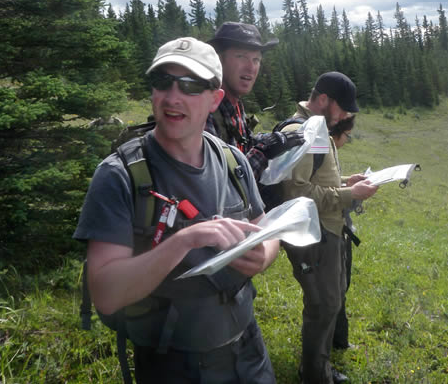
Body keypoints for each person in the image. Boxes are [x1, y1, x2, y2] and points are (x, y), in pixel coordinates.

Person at [74, 37, 279, 383]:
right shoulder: (119, 176)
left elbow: (264, 227)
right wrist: (182, 241)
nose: (172, 97)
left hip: (248, 348)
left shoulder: (232, 160)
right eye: (162, 83)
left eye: (190, 86)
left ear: (215, 99)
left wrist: (265, 255)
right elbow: (106, 295)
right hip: (172, 362)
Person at [279, 72, 379, 384]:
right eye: (344, 108)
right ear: (324, 99)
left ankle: (319, 367)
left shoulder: (319, 127)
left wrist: (346, 181)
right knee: (323, 306)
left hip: (327, 228)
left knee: (332, 300)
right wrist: (350, 195)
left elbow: (317, 179)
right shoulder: (303, 131)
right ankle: (314, 376)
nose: (347, 115)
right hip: (314, 233)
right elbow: (296, 193)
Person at [206, 22, 303, 180]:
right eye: (241, 57)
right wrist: (263, 151)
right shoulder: (203, 111)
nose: (251, 68)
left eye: (256, 60)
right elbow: (222, 184)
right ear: (218, 60)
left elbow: (245, 144)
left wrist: (275, 139)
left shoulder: (235, 105)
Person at [328, 116, 362, 351]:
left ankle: (339, 342)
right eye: (348, 136)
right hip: (330, 229)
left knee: (341, 287)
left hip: (340, 229)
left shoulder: (327, 148)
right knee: (333, 292)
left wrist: (348, 181)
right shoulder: (321, 147)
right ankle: (329, 349)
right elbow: (318, 189)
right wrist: (351, 192)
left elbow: (329, 182)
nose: (347, 141)